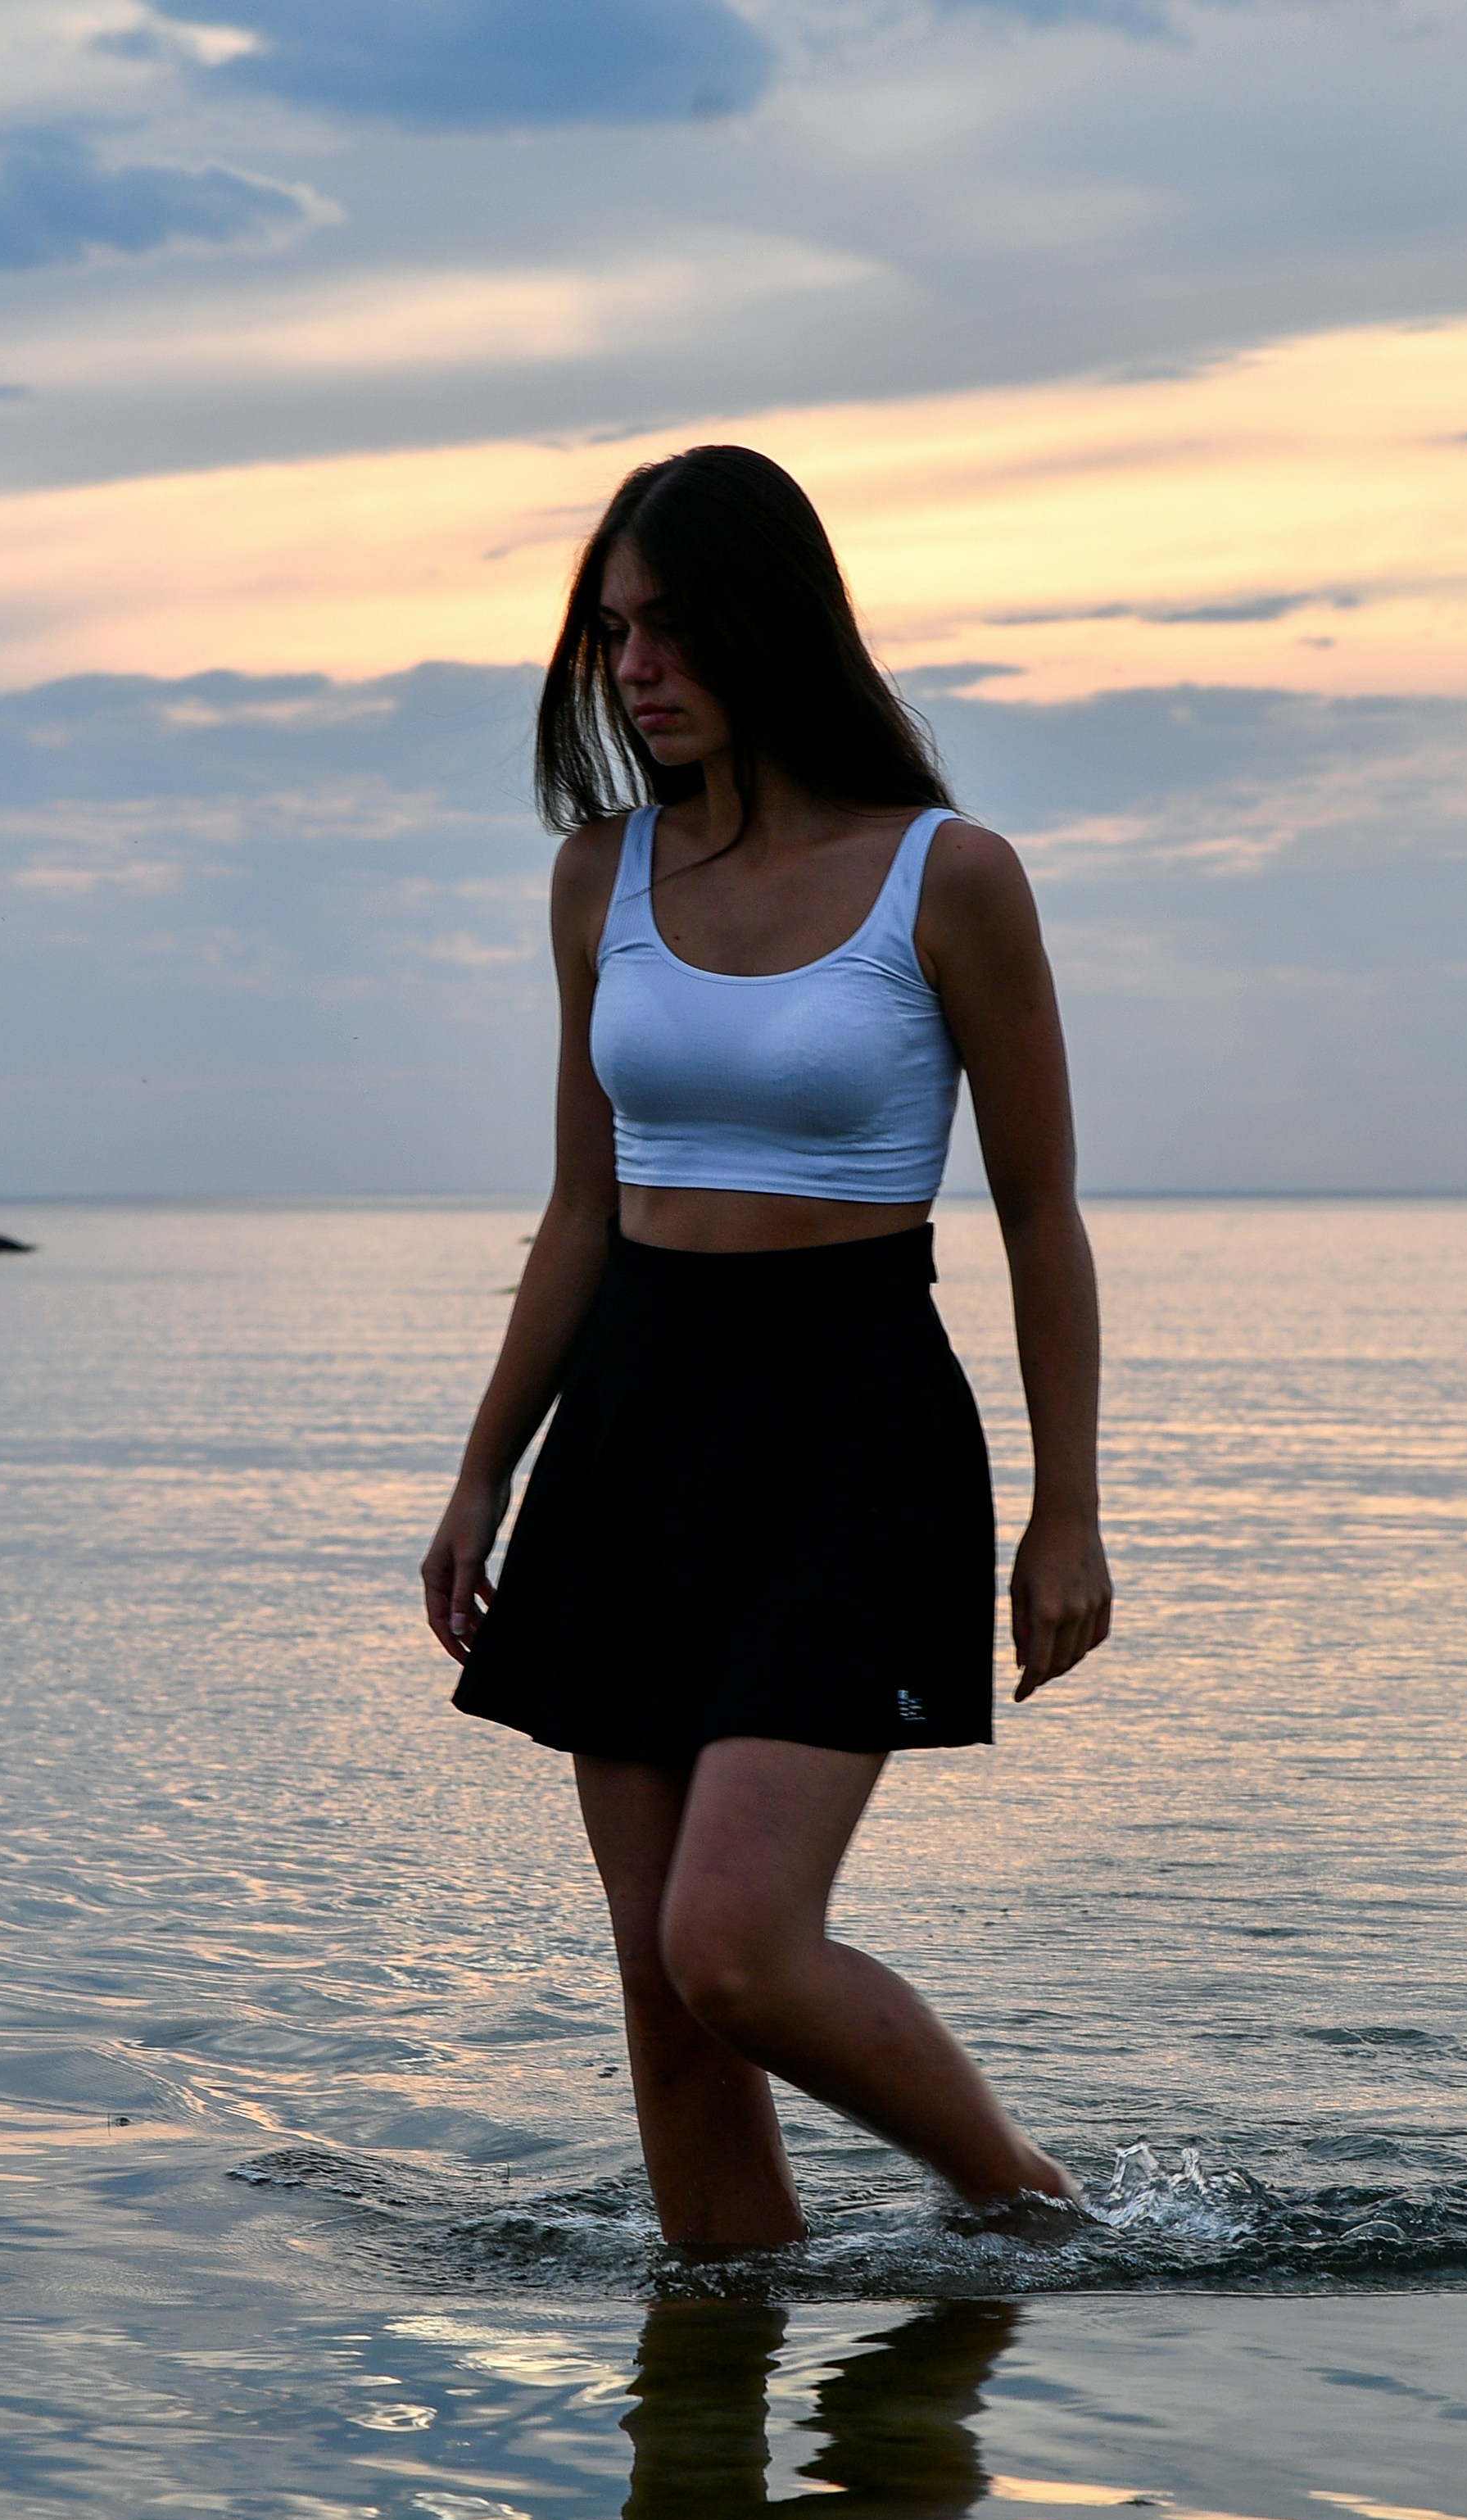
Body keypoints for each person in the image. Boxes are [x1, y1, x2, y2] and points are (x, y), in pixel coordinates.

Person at [423, 444, 1111, 2251]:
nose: (631, 667)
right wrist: (482, 1472)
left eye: (669, 627)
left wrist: (1068, 1510)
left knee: (732, 1944)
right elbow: (582, 1207)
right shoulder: (601, 877)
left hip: (850, 1418)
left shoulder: (947, 878)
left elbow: (1040, 1212)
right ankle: (713, 2411)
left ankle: (1037, 2221)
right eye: (613, 631)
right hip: (636, 1419)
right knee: (661, 1992)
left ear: (771, 625)